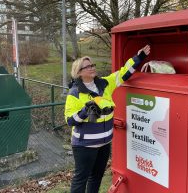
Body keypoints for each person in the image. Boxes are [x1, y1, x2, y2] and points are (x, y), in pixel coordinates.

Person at [64, 45, 151, 193]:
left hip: (104, 143)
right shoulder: (75, 93)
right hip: (85, 146)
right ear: (79, 73)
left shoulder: (105, 83)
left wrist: (139, 57)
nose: (92, 68)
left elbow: (123, 73)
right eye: (87, 67)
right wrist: (86, 110)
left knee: (96, 177)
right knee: (81, 179)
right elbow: (70, 121)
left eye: (92, 65)